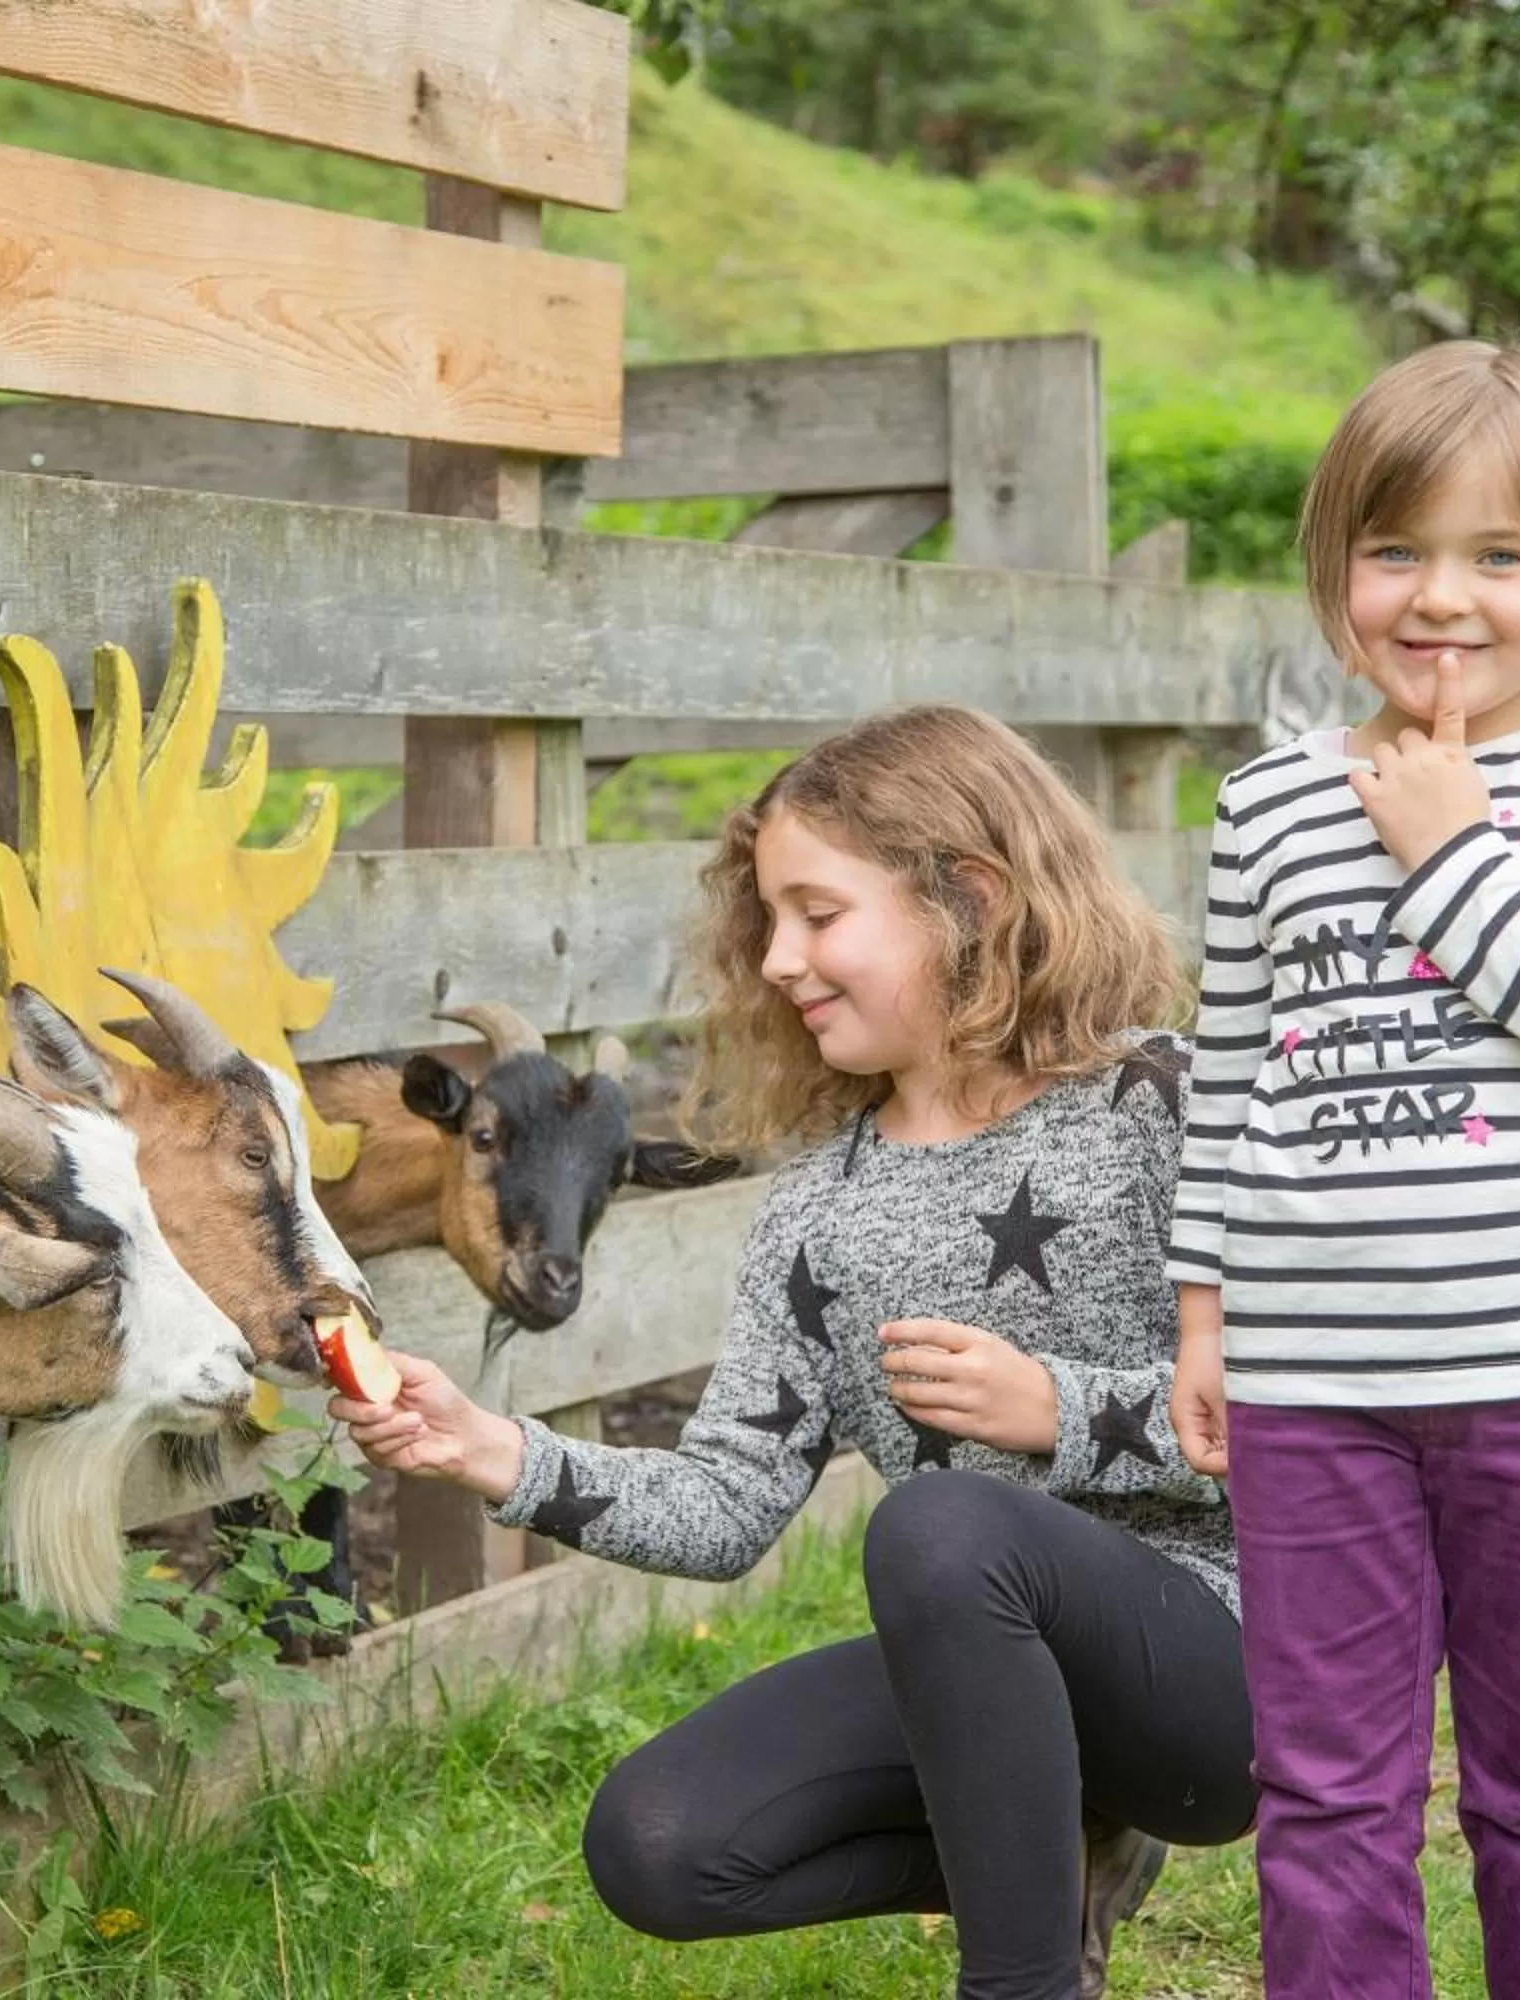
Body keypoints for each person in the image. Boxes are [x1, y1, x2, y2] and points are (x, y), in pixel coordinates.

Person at [334, 705, 1251, 2000]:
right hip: (986, 1665)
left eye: (819, 915)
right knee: (660, 1842)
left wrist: (1065, 1410)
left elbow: (1335, 1421)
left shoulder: (1165, 1105)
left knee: (942, 1525)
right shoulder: (819, 1207)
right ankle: (1060, 1860)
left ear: (967, 899)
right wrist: (491, 1453)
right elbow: (722, 1508)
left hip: (1229, 1664)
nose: (776, 960)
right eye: (765, 922)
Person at [1167, 337, 1520, 1999]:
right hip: (1314, 1387)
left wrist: (1453, 847)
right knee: (1326, 1801)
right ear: (1338, 561)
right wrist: (1204, 1311)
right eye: (1396, 549)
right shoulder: (1268, 806)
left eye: (1500, 556)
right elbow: (1234, 1075)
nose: (1441, 599)